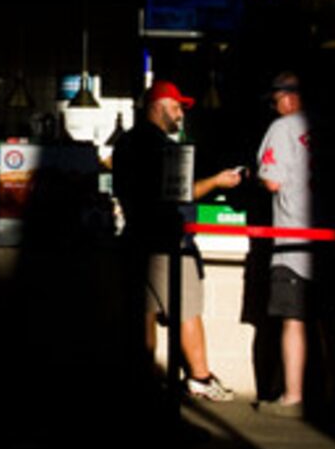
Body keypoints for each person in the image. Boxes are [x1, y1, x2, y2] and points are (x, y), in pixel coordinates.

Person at [113, 79, 245, 398]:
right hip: (169, 243)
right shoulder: (164, 148)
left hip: (136, 238)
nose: (180, 114)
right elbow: (180, 194)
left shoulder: (125, 144)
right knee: (186, 309)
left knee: (142, 315)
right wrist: (216, 181)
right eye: (175, 107)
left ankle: (143, 384)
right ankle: (200, 378)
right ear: (157, 107)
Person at [255, 72, 315, 414]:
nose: (276, 106)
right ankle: (331, 393)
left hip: (292, 241)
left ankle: (293, 395)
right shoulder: (331, 127)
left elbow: (273, 182)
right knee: (328, 322)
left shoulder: (283, 128)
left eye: (276, 100)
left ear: (289, 97)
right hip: (328, 243)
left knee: (293, 321)